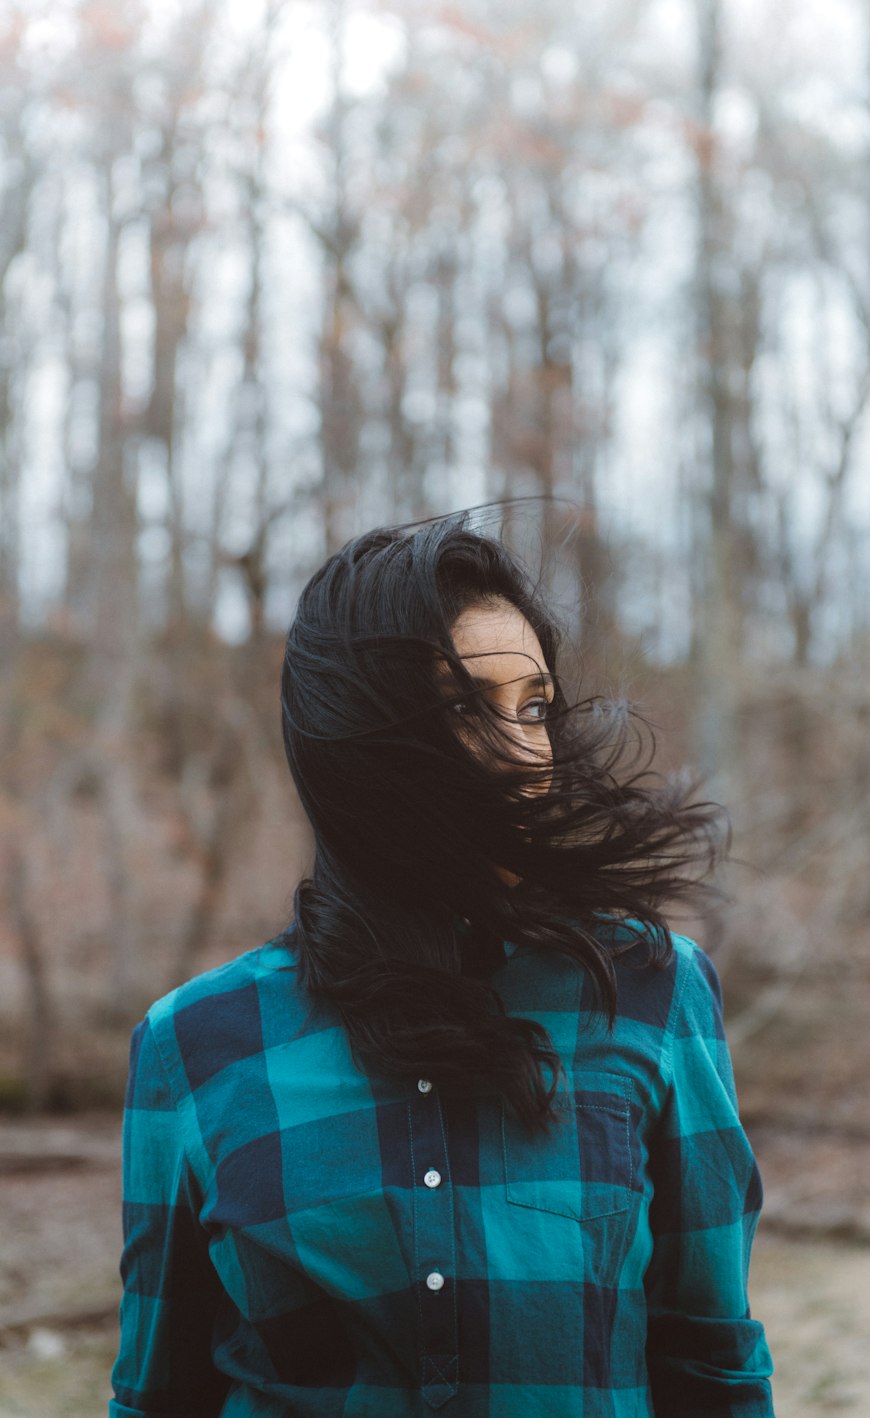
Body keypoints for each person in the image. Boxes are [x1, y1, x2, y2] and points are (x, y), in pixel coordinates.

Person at [110, 509, 774, 1417]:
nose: (521, 754)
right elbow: (157, 1397)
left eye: (534, 707)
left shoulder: (651, 992)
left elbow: (712, 1365)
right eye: (464, 708)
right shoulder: (193, 1045)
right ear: (355, 743)